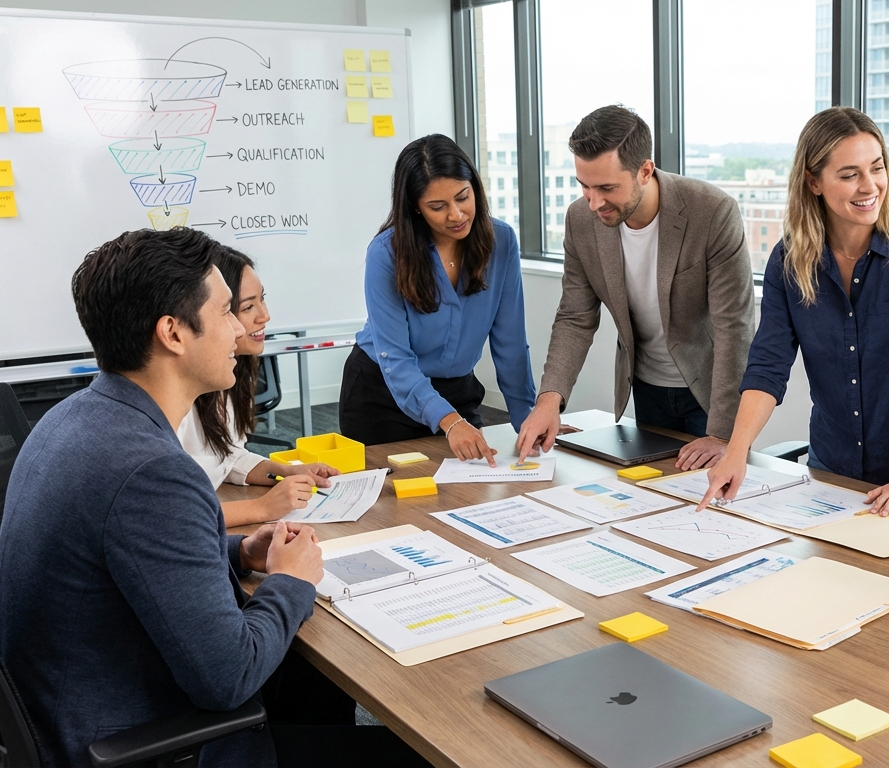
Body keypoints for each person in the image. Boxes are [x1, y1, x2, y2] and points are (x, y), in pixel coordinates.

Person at [0, 228, 425, 766]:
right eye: (227, 311)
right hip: (144, 743)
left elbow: (119, 552)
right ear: (173, 333)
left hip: (72, 712)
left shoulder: (72, 419)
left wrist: (240, 552)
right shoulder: (152, 470)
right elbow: (230, 676)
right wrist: (293, 579)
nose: (240, 327)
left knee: (310, 684)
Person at [700, 107, 889, 516]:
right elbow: (768, 367)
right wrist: (736, 453)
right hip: (833, 458)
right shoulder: (789, 261)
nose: (869, 185)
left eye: (876, 168)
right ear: (813, 181)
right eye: (849, 174)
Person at [514, 105, 755, 470]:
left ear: (645, 171)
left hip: (711, 394)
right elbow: (575, 318)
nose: (594, 202)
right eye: (585, 187)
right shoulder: (581, 220)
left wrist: (724, 435)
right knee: (655, 500)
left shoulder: (712, 211)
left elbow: (733, 329)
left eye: (607, 188)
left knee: (714, 504)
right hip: (645, 387)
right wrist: (549, 401)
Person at [340, 134, 536, 463]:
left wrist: (526, 419)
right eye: (438, 206)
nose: (457, 215)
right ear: (415, 207)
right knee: (393, 509)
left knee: (473, 495)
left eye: (463, 197)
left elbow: (511, 344)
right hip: (383, 394)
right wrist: (450, 421)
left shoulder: (501, 241)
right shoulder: (386, 254)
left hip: (458, 393)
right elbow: (397, 360)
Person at [177, 246, 339, 527]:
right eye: (246, 307)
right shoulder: (171, 404)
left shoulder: (228, 375)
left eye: (262, 300)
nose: (264, 316)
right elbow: (174, 513)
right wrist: (261, 509)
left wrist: (286, 472)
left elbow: (227, 456)